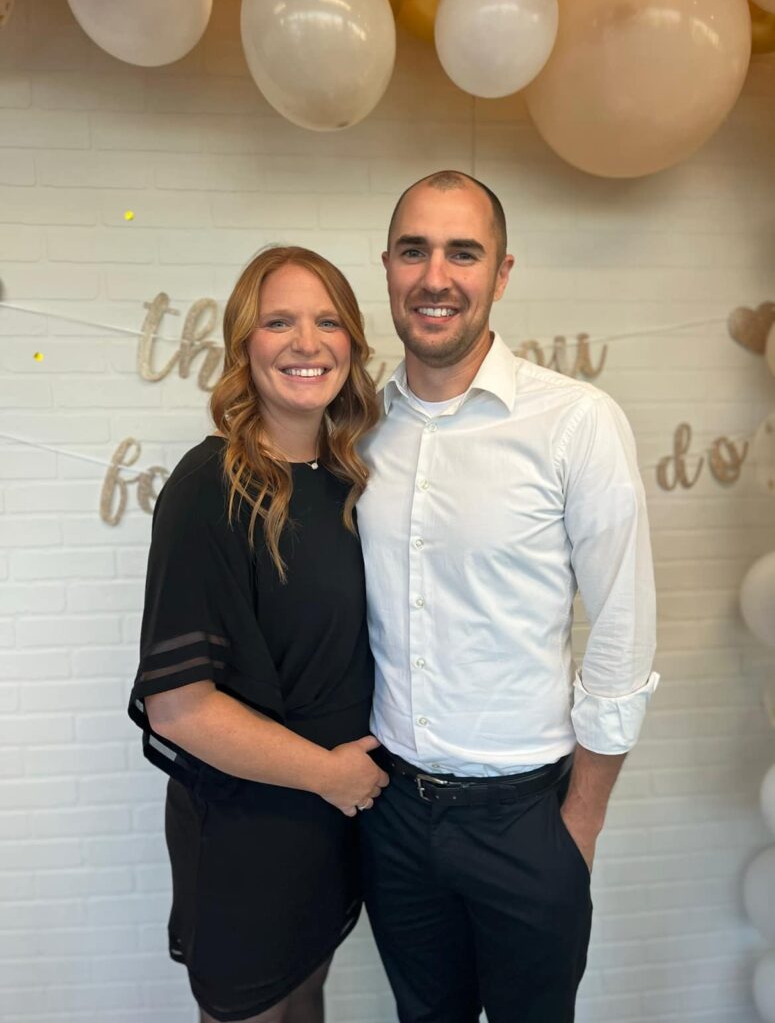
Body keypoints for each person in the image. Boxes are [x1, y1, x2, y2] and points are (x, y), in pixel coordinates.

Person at [356, 171, 659, 1023]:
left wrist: (579, 824)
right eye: (413, 251)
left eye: (463, 252)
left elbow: (624, 628)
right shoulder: (357, 427)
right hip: (391, 814)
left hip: (526, 821)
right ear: (387, 267)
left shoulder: (574, 422)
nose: (435, 277)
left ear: (501, 272)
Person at [127, 246, 388, 1023]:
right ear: (245, 344)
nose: (306, 343)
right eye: (279, 322)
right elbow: (180, 708)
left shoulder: (348, 482)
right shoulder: (208, 487)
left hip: (331, 822)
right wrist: (328, 775)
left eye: (327, 322)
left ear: (351, 344)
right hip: (251, 828)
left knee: (306, 1000)